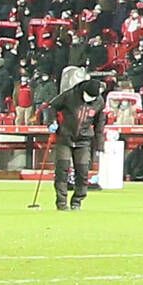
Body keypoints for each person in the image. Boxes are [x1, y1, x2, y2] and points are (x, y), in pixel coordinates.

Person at [45, 65, 98, 210]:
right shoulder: (69, 95)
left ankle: (77, 201)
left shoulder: (98, 102)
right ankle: (61, 202)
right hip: (65, 138)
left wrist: (99, 143)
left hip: (84, 140)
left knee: (82, 171)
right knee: (62, 169)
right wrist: (51, 122)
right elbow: (52, 106)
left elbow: (100, 123)